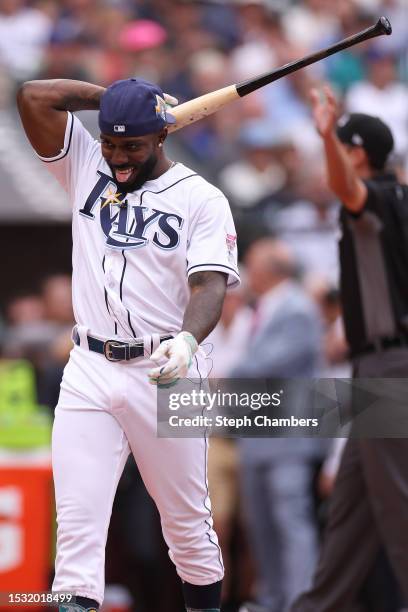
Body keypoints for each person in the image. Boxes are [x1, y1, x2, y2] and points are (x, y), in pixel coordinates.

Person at [17, 77, 240, 612]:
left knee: (187, 525)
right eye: (111, 142)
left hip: (167, 366)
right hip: (90, 367)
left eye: (132, 146)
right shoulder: (86, 163)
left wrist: (188, 340)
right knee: (76, 526)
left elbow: (208, 283)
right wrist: (114, 101)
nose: (117, 156)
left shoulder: (201, 198)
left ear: (162, 137)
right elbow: (32, 97)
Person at [291, 86, 408, 611]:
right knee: (352, 512)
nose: (329, 156)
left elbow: (349, 191)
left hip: (387, 365)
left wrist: (324, 133)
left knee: (398, 506)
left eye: (339, 146)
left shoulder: (376, 195)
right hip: (381, 362)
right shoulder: (398, 195)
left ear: (356, 152)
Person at [230, 239, 324, 612]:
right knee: (261, 526)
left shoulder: (298, 308)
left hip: (288, 435)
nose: (246, 272)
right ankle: (272, 600)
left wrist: (219, 372)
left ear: (271, 269)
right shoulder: (261, 308)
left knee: (290, 522)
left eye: (251, 264)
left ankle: (300, 602)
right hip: (256, 435)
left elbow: (264, 365)